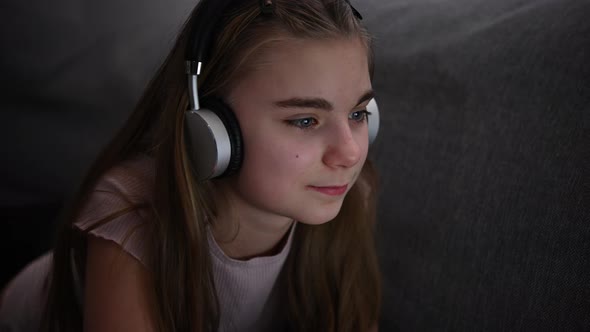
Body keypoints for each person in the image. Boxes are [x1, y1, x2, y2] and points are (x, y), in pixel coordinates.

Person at [0, 0, 382, 331]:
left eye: (358, 114)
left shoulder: (349, 198)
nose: (348, 154)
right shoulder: (131, 218)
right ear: (211, 130)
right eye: (305, 121)